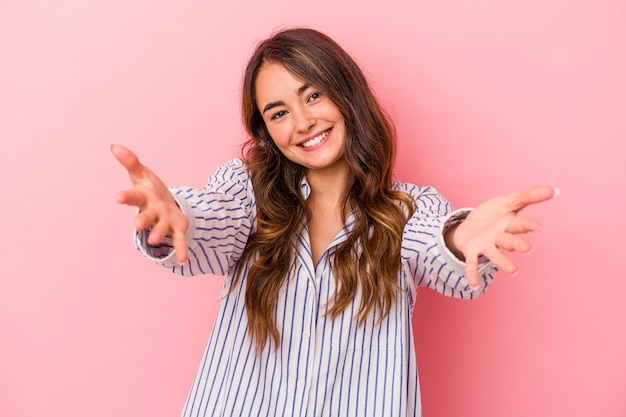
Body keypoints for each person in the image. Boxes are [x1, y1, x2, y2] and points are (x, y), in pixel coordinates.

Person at [111, 28, 555, 417]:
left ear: (346, 95)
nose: (303, 122)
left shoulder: (406, 211)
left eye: (313, 95)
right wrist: (175, 218)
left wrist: (460, 238)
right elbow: (213, 219)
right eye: (279, 112)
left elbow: (438, 250)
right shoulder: (247, 196)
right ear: (266, 131)